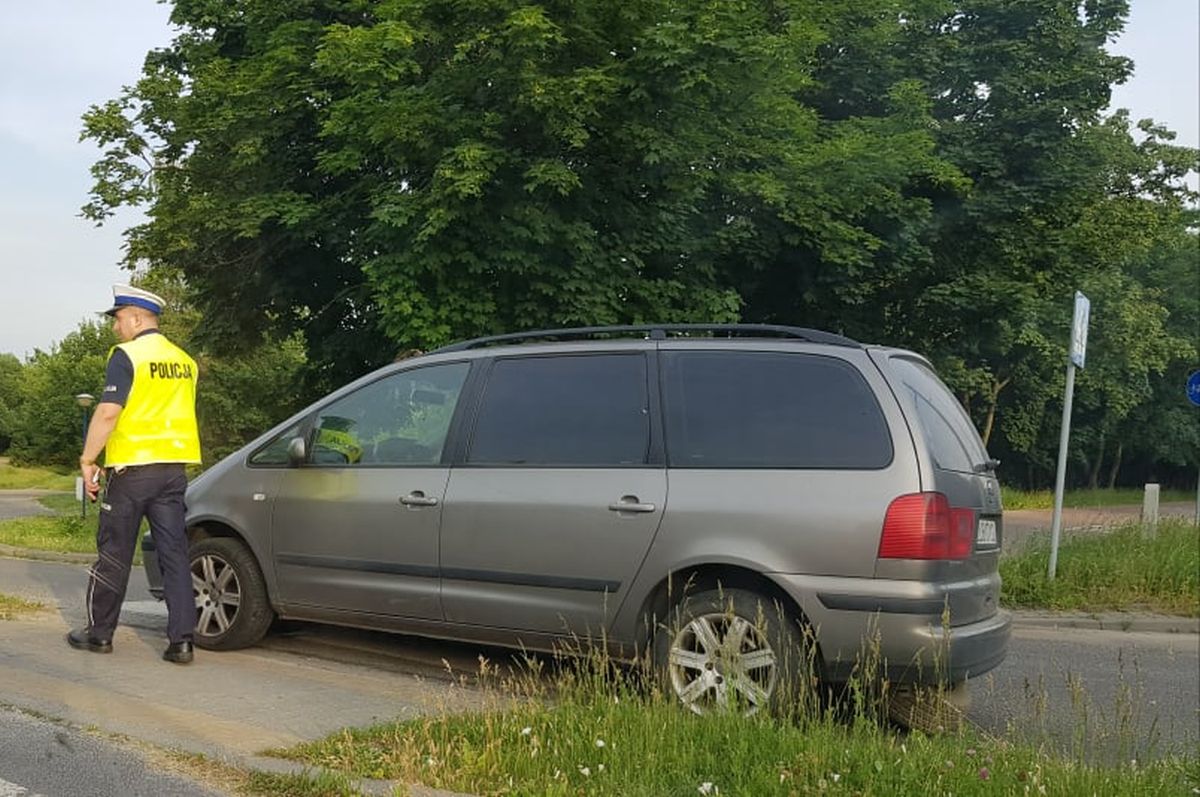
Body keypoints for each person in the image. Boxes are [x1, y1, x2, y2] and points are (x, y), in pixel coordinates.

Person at [67, 284, 201, 664]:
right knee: (174, 554)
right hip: (174, 470)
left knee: (114, 553)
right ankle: (182, 642)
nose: (115, 328)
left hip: (132, 471)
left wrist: (88, 459)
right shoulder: (184, 361)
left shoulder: (127, 355)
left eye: (119, 318)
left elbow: (109, 412)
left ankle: (99, 634)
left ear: (138, 318)